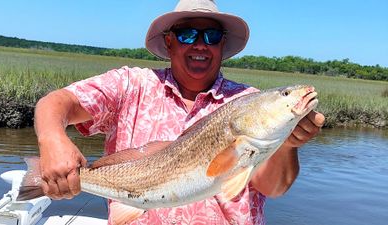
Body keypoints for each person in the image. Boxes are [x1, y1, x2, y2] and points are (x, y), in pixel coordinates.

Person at [34, 0, 325, 224]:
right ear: (169, 41)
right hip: (130, 195)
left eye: (211, 35)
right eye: (187, 34)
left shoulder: (246, 101)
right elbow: (56, 102)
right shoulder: (130, 84)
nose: (200, 44)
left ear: (223, 44)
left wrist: (289, 143)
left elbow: (273, 187)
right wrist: (52, 140)